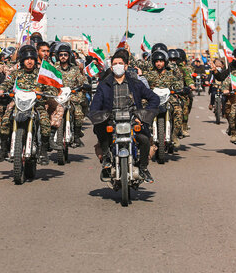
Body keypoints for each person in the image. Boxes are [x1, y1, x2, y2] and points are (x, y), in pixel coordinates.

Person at [90, 49, 160, 183]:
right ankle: (106, 158)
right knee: (101, 131)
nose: (118, 66)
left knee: (145, 140)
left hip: (133, 121)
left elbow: (154, 98)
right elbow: (95, 106)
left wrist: (143, 115)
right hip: (112, 122)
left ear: (126, 66)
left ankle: (144, 168)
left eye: (120, 63)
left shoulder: (135, 83)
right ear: (111, 67)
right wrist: (100, 116)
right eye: (115, 63)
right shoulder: (104, 85)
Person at [0, 45, 54, 164]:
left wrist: (44, 93)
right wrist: (1, 90)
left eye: (32, 59)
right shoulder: (16, 73)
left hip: (36, 104)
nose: (29, 61)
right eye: (27, 59)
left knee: (45, 122)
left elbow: (52, 89)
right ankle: (3, 150)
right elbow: (6, 84)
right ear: (22, 60)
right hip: (17, 103)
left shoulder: (41, 74)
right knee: (5, 119)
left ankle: (43, 152)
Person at [145, 50, 184, 147]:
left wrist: (180, 89)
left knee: (178, 111)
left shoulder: (170, 74)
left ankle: (174, 135)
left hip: (168, 98)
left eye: (161, 61)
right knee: (142, 110)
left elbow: (178, 83)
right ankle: (145, 134)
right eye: (157, 61)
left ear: (165, 62)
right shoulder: (149, 75)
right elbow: (143, 84)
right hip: (152, 98)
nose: (159, 64)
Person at [52, 43, 86, 148]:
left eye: (65, 55)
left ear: (69, 56)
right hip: (57, 95)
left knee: (78, 112)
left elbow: (81, 82)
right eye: (61, 54)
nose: (63, 57)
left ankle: (76, 135)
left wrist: (81, 71)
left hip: (72, 95)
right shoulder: (53, 68)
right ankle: (50, 136)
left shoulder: (75, 69)